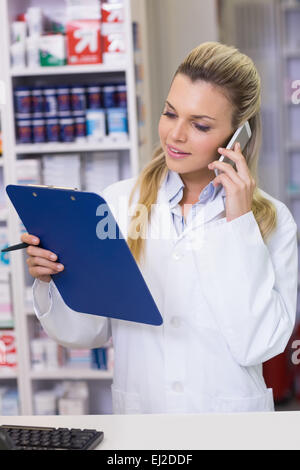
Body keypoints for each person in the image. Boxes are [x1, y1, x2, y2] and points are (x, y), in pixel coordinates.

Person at [22, 42, 298, 414]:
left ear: (238, 136)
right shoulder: (117, 204)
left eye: (200, 125)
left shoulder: (272, 220)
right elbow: (85, 332)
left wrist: (238, 225)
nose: (175, 135)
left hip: (230, 426)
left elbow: (258, 345)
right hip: (144, 418)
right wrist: (50, 278)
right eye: (170, 113)